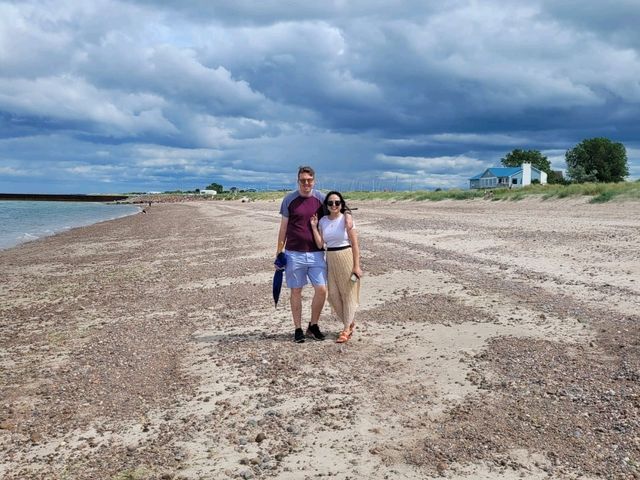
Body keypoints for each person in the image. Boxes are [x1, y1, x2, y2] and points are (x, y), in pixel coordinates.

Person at [276, 166, 327, 343]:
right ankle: (297, 329)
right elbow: (283, 227)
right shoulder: (289, 199)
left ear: (314, 180)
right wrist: (278, 252)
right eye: (303, 180)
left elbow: (338, 210)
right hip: (294, 253)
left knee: (321, 289)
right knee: (296, 291)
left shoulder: (321, 198)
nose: (306, 183)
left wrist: (349, 217)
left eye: (309, 180)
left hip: (316, 253)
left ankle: (313, 325)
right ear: (298, 181)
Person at [310, 191, 362, 343]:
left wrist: (356, 266)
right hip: (330, 259)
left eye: (337, 203)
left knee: (348, 293)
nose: (334, 205)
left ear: (341, 204)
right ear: (326, 205)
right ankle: (349, 322)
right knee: (333, 295)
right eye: (331, 203)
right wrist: (314, 227)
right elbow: (320, 244)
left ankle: (346, 329)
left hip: (346, 255)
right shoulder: (323, 221)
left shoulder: (346, 220)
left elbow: (355, 244)